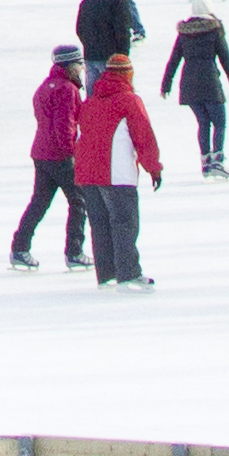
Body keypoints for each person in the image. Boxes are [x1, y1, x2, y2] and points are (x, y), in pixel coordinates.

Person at [70, 51, 164, 285]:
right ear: (128, 75)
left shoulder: (89, 102)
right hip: (116, 174)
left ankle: (106, 274)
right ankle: (129, 273)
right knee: (124, 222)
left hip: (87, 174)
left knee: (100, 225)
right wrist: (153, 167)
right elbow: (144, 136)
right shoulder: (129, 101)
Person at [8, 45, 91, 268]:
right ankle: (74, 252)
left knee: (39, 202)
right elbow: (65, 126)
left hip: (41, 152)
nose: (82, 68)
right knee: (79, 201)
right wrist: (71, 154)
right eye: (79, 64)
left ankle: (20, 248)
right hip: (60, 156)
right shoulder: (67, 89)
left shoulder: (45, 86)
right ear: (70, 65)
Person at [160, 0, 229, 173]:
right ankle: (217, 159)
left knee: (203, 122)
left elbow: (174, 60)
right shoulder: (214, 30)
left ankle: (205, 161)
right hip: (210, 81)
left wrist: (166, 84)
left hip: (189, 84)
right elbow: (225, 58)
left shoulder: (184, 34)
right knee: (219, 121)